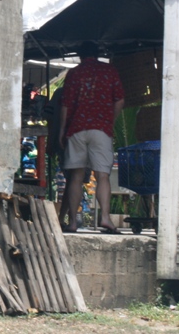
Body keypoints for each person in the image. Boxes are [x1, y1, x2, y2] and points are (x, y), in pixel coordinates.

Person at [59, 41, 125, 234]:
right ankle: (105, 218)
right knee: (102, 175)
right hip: (101, 129)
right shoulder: (110, 71)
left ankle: (72, 222)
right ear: (97, 54)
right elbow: (120, 99)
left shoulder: (74, 73)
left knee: (76, 176)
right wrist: (109, 122)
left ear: (80, 55)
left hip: (77, 128)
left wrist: (62, 131)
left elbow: (65, 104)